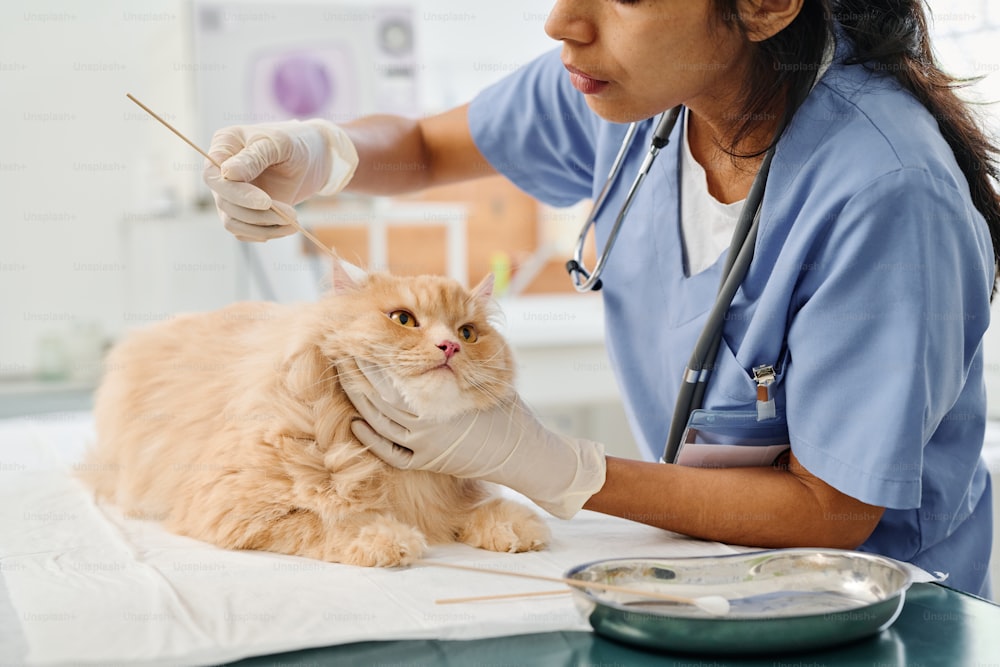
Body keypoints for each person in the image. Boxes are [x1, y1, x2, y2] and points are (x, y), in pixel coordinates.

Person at [202, 0, 999, 598]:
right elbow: (416, 149)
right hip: (713, 581)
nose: (561, 23)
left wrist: (553, 467)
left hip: (877, 609)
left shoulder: (887, 191)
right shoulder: (635, 92)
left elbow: (831, 510)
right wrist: (320, 153)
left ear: (763, 6)